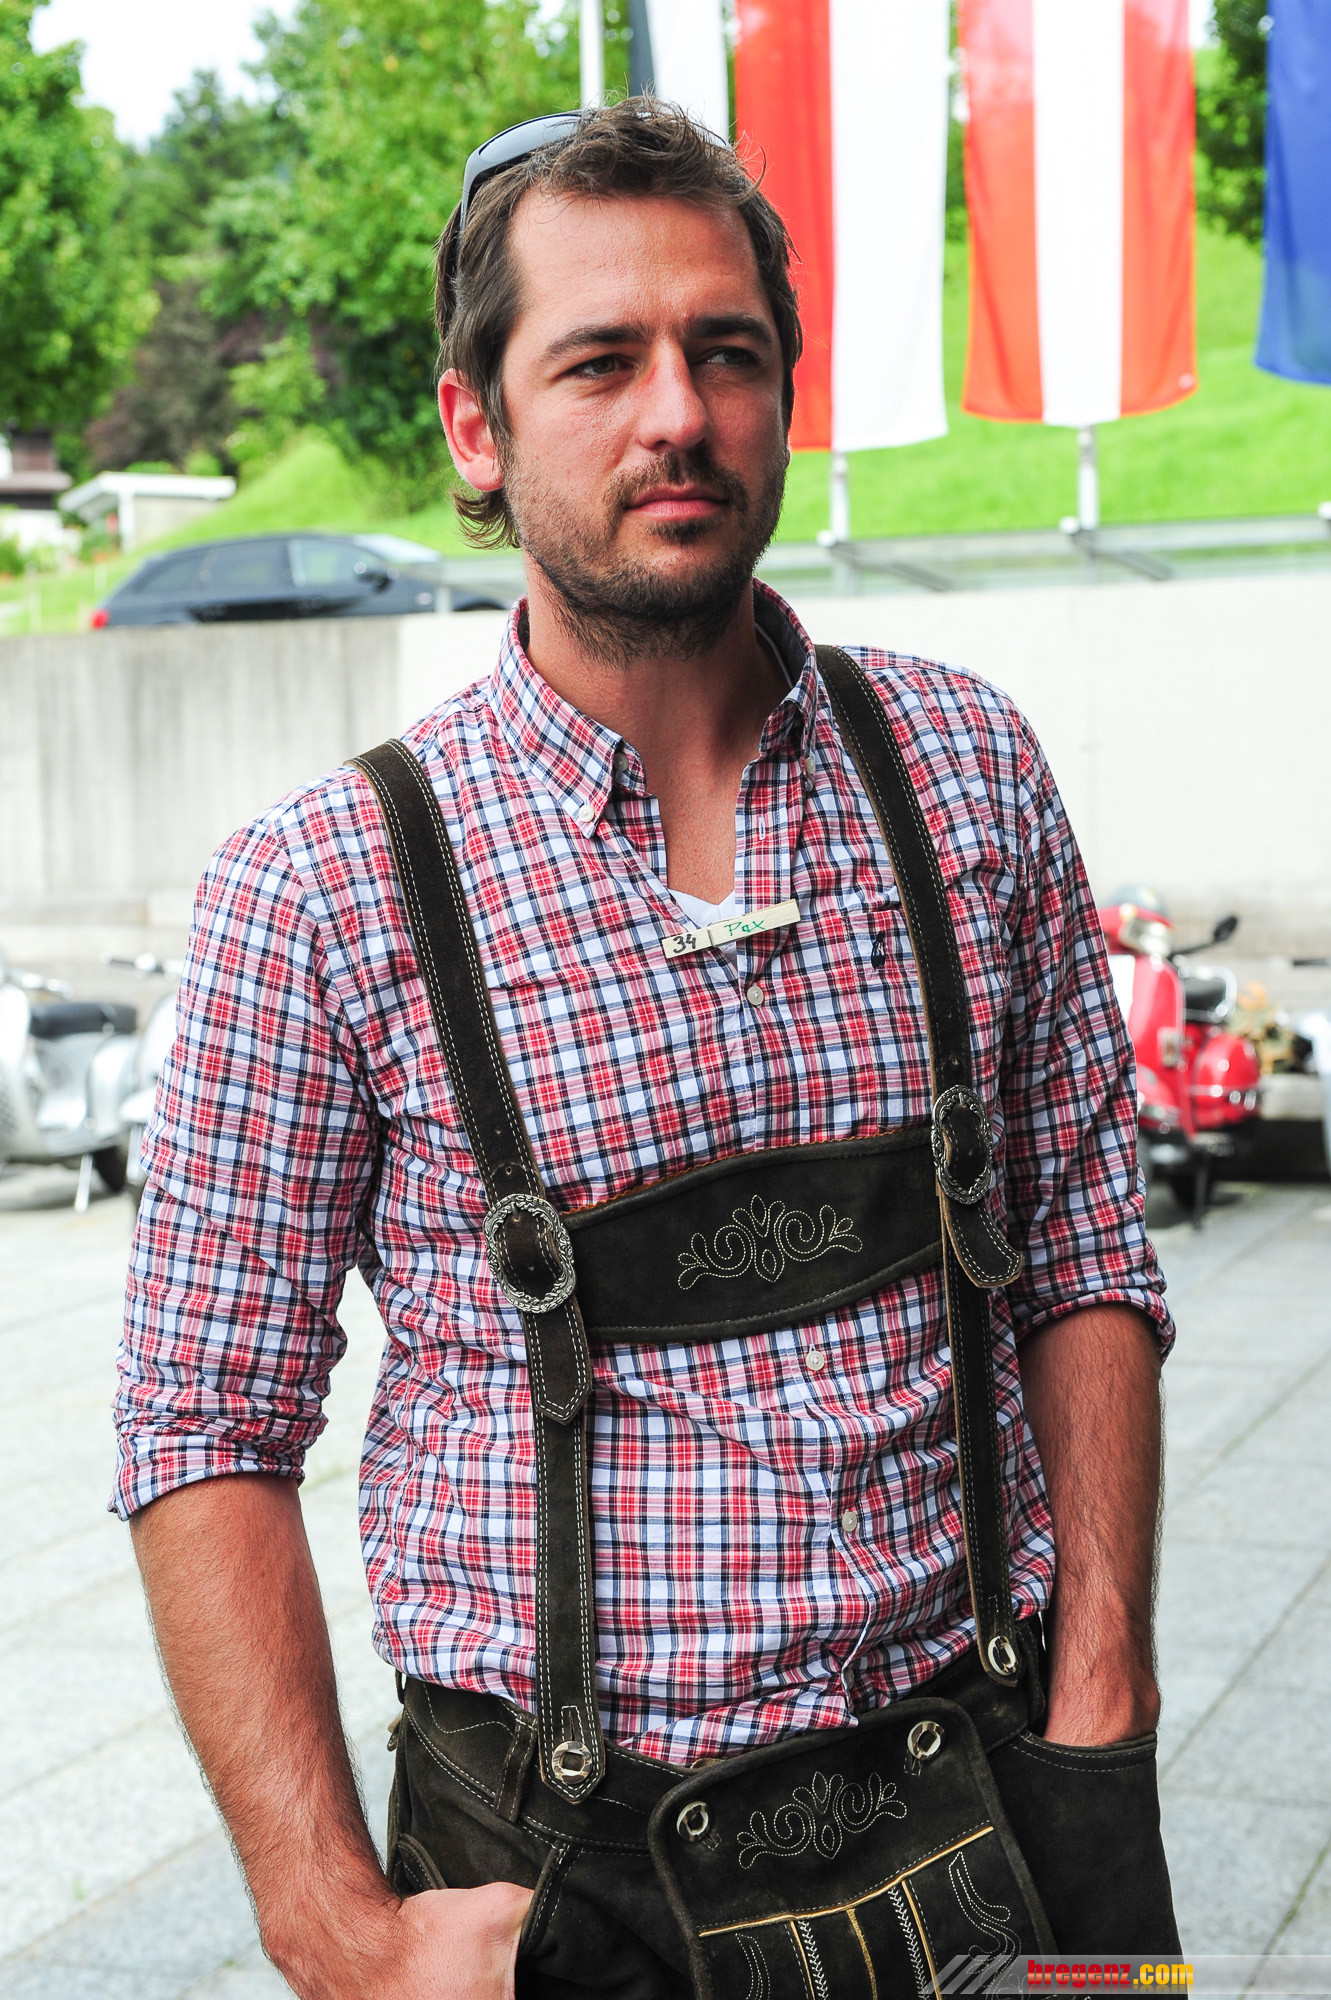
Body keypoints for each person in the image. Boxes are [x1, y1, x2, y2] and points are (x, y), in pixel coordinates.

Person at [115, 100, 1179, 1999]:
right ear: (479, 426)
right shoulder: (327, 884)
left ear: (784, 391)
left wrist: (1104, 1698)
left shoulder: (969, 771)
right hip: (562, 1888)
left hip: (1014, 1812)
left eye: (727, 352)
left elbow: (1089, 1253)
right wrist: (331, 1926)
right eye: (599, 361)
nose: (678, 413)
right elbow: (204, 1426)